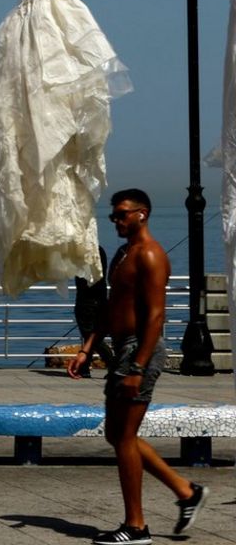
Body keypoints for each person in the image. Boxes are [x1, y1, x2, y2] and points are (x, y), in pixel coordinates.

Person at [68, 189, 209, 545]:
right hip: (121, 348)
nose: (115, 220)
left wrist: (138, 366)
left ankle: (136, 527)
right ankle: (185, 491)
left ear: (141, 214)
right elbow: (111, 306)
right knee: (118, 436)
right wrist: (88, 347)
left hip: (139, 350)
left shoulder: (150, 254)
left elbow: (156, 315)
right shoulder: (122, 253)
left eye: (121, 214)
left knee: (124, 437)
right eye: (113, 215)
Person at [73, 245, 112, 377]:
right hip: (100, 299)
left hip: (87, 300)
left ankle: (112, 364)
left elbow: (85, 278)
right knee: (90, 334)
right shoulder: (100, 251)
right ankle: (84, 368)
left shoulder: (85, 254)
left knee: (90, 335)